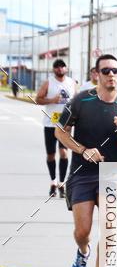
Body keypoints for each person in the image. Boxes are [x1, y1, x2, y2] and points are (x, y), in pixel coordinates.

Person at [55, 54, 117, 267]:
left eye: (115, 70)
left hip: (113, 172)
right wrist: (83, 150)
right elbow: (60, 133)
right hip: (82, 172)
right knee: (83, 232)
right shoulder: (80, 101)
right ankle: (83, 251)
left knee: (111, 226)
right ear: (97, 74)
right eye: (106, 71)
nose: (111, 74)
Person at [35, 59, 77, 198]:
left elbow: (76, 101)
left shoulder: (71, 83)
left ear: (66, 68)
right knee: (51, 155)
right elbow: (38, 99)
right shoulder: (48, 82)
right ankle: (53, 181)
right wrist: (51, 100)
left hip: (65, 124)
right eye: (57, 67)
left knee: (64, 153)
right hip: (50, 124)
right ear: (54, 69)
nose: (59, 69)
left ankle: (61, 183)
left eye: (62, 66)